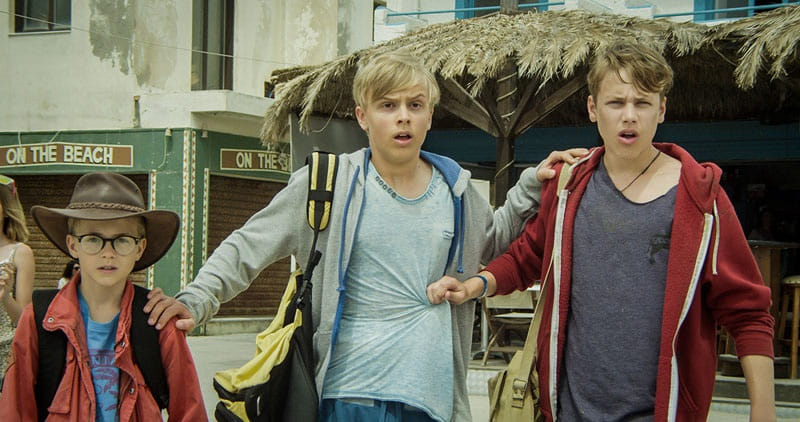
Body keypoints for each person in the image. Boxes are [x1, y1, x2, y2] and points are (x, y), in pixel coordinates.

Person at [144, 51, 585, 421]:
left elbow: (494, 242)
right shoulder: (327, 183)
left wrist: (531, 185)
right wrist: (197, 299)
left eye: (415, 105)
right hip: (350, 395)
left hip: (431, 398)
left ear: (429, 116)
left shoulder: (457, 191)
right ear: (363, 116)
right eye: (388, 105)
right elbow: (248, 245)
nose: (403, 117)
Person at [428, 43, 776, 421]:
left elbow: (748, 312)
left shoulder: (701, 198)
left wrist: (763, 411)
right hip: (568, 410)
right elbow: (527, 257)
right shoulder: (568, 185)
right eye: (616, 103)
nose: (629, 116)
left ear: (661, 109)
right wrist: (474, 286)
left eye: (642, 103)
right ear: (593, 109)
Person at [0, 172, 206, 421]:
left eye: (123, 240)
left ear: (139, 248)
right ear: (73, 245)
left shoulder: (159, 320)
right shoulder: (39, 318)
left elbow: (190, 411)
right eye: (93, 239)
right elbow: (15, 407)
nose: (108, 253)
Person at [0, 175, 35, 386]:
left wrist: (5, 298)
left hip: (5, 359)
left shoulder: (20, 253)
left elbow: (25, 319)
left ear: (5, 209)